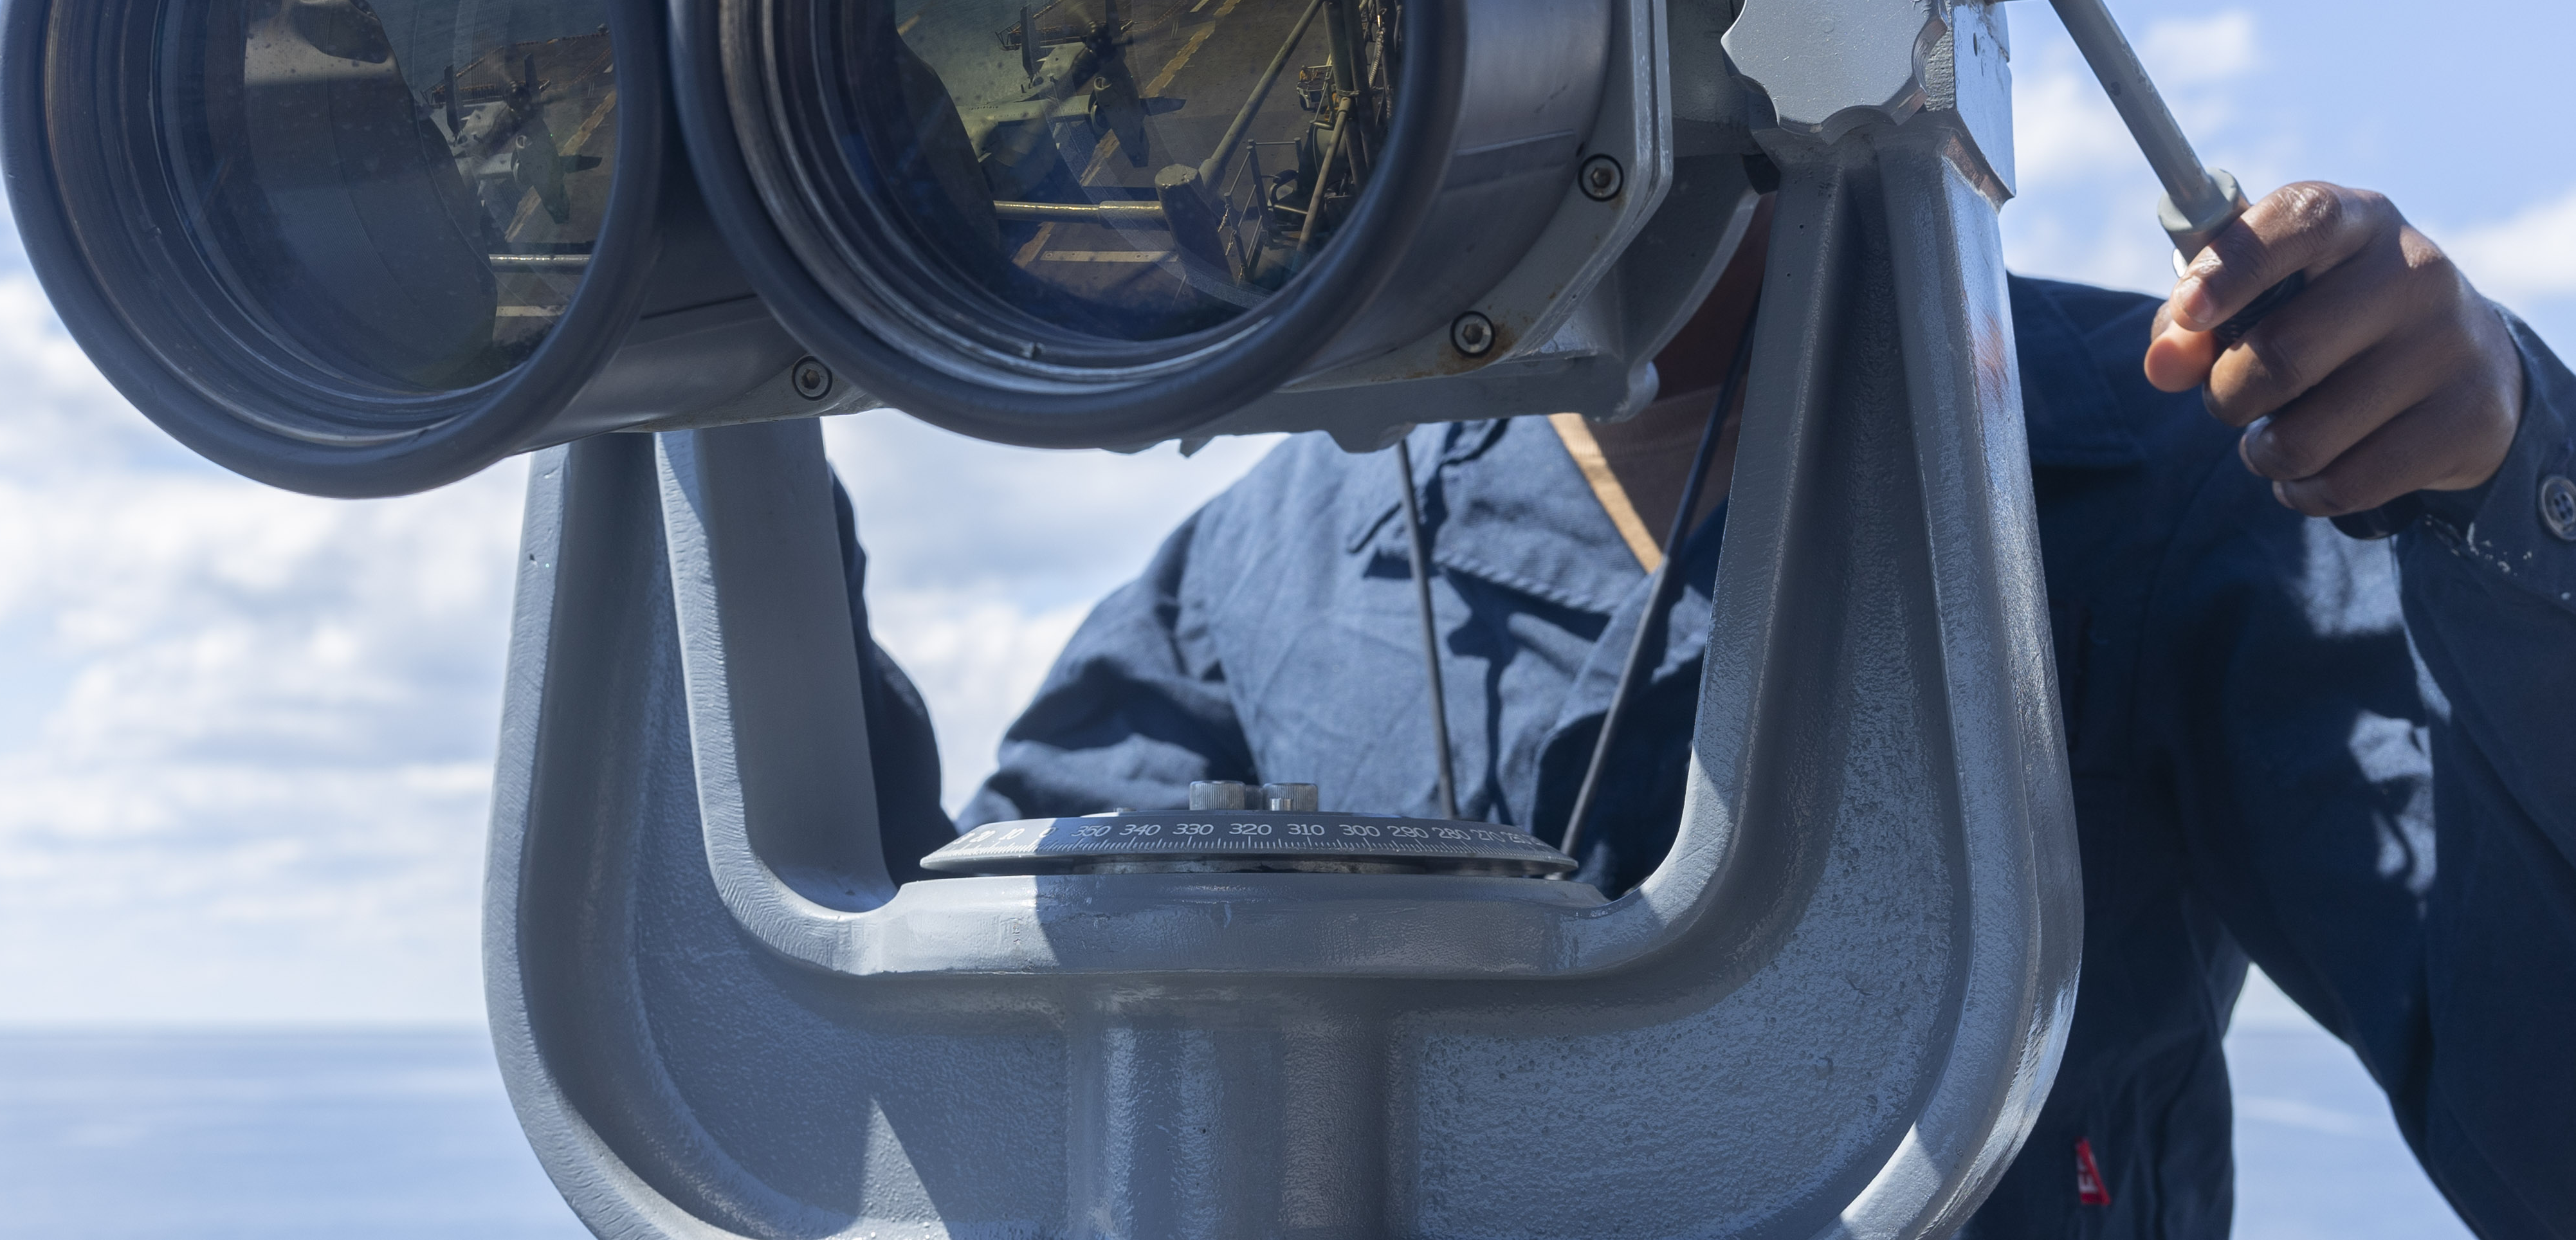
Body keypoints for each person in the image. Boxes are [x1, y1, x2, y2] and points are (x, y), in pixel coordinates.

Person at [857, 180, 2572, 1237]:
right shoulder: (1259, 568)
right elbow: (942, 1076)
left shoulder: (2157, 471)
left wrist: (2500, 480)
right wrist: (735, 492)